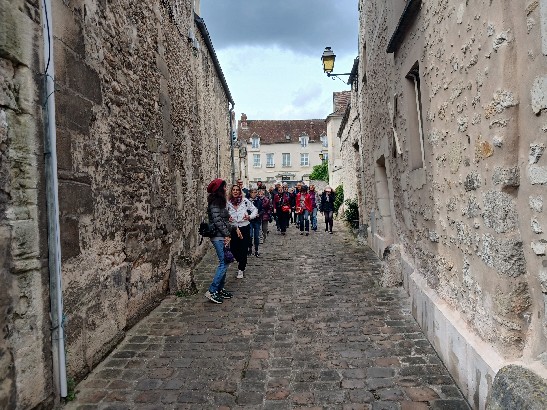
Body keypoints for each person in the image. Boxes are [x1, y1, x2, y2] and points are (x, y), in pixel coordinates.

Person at [204, 178, 235, 304]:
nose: (226, 189)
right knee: (223, 263)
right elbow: (217, 221)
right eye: (224, 187)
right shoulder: (214, 203)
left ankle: (220, 289)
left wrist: (228, 218)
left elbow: (222, 218)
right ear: (219, 189)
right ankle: (212, 290)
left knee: (226, 261)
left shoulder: (220, 202)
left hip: (222, 235)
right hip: (218, 236)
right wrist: (227, 234)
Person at [228, 184, 258, 278]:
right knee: (233, 249)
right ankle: (240, 260)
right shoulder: (228, 202)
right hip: (233, 228)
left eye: (237, 190)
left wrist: (249, 216)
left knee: (243, 249)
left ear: (240, 191)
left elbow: (254, 209)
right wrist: (227, 218)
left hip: (244, 227)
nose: (235, 191)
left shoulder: (245, 201)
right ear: (231, 191)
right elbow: (224, 213)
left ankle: (241, 268)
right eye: (233, 190)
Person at [247, 188, 263, 257]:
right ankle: (250, 247)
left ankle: (256, 249)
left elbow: (262, 210)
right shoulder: (247, 201)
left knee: (256, 236)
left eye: (255, 192)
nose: (253, 194)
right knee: (250, 235)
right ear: (250, 193)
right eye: (252, 192)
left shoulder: (259, 201)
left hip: (257, 220)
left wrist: (259, 214)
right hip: (249, 220)